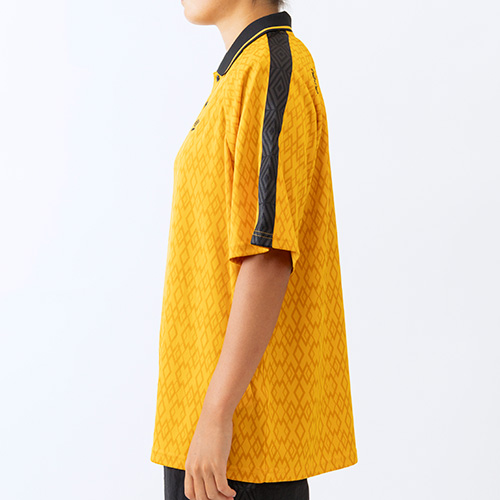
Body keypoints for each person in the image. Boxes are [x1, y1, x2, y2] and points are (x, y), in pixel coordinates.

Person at [151, 1, 358, 499]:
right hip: (202, 431)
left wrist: (217, 414)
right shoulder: (242, 71)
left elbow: (268, 254)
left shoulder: (270, 68)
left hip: (240, 443)